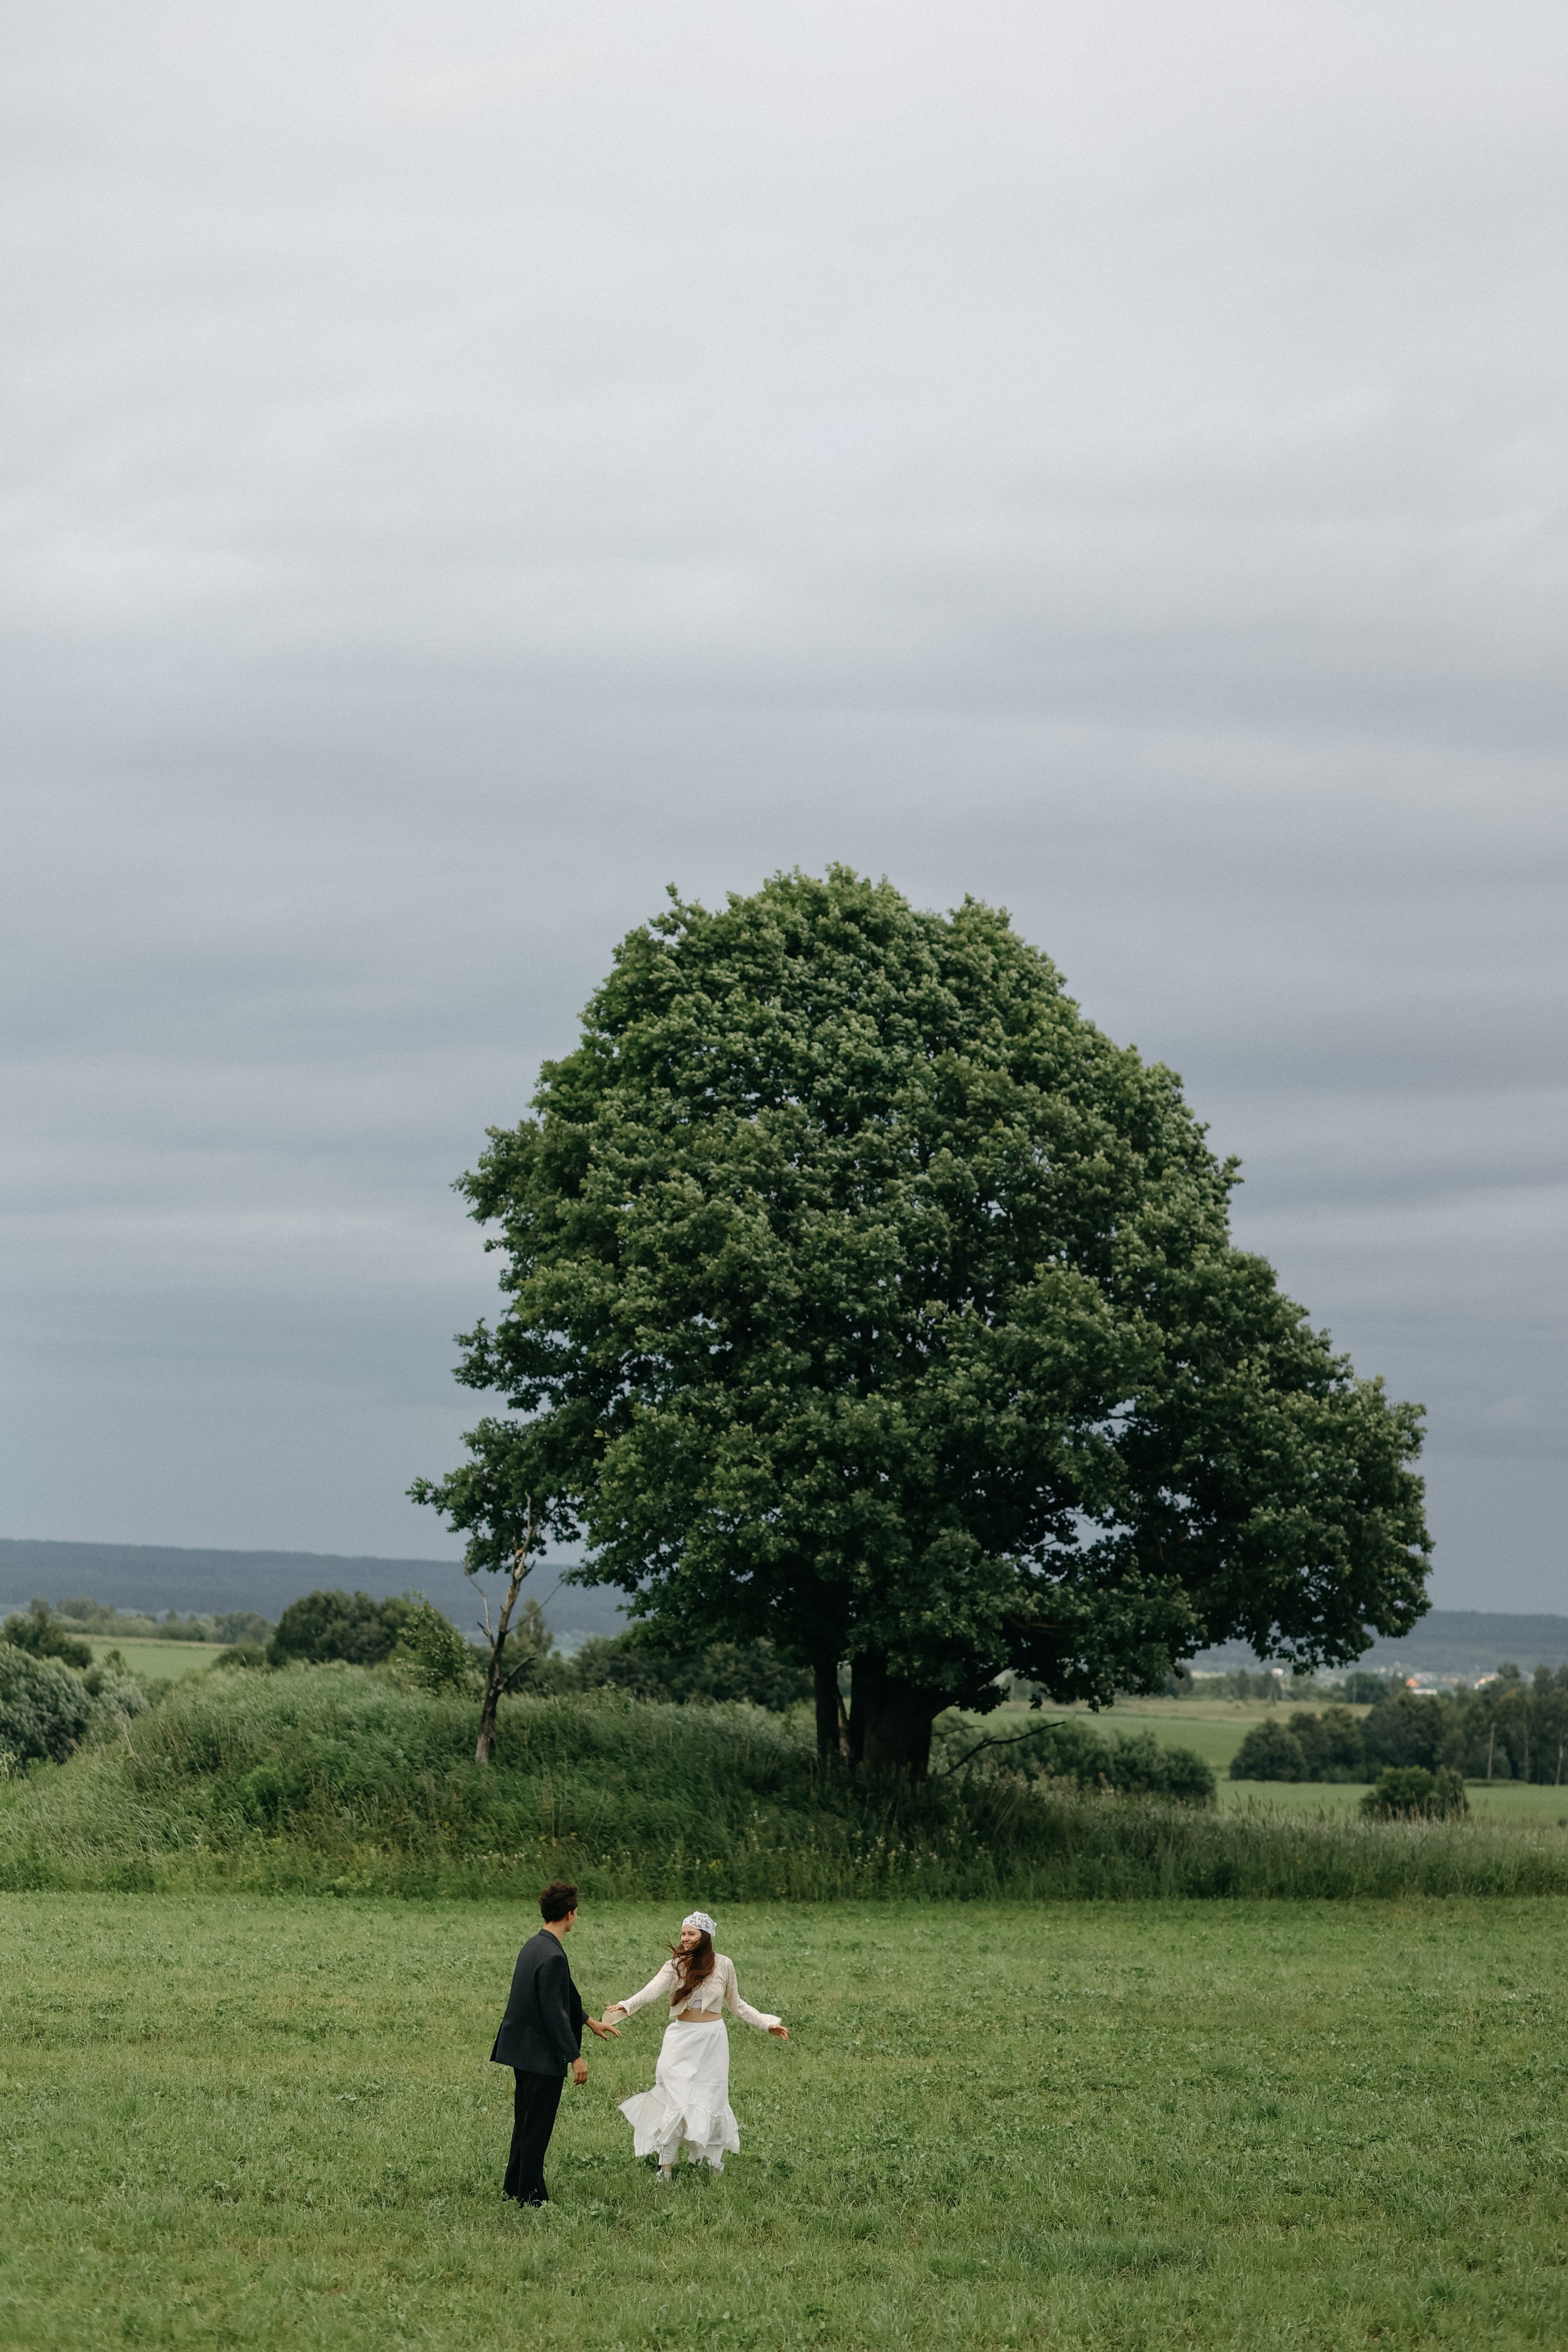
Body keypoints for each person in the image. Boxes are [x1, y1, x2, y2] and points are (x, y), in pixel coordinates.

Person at [602, 1909, 787, 2180]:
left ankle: (712, 2163)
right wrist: (627, 2005)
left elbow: (737, 2004)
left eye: (691, 1934)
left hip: (712, 2042)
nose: (685, 1938)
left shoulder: (724, 1965)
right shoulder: (675, 1965)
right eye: (683, 1934)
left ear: (705, 1936)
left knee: (711, 2100)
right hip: (681, 2039)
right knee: (674, 2101)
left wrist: (767, 2023)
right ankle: (665, 2168)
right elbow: (652, 1990)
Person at [490, 1878, 620, 2207]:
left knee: (525, 2122)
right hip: (541, 2056)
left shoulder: (536, 1945)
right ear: (569, 1914)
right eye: (576, 1912)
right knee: (537, 2127)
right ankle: (531, 2197)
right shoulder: (553, 1956)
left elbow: (565, 1993)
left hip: (523, 2052)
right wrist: (575, 2057)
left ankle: (514, 2187)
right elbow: (554, 2012)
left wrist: (589, 2021)